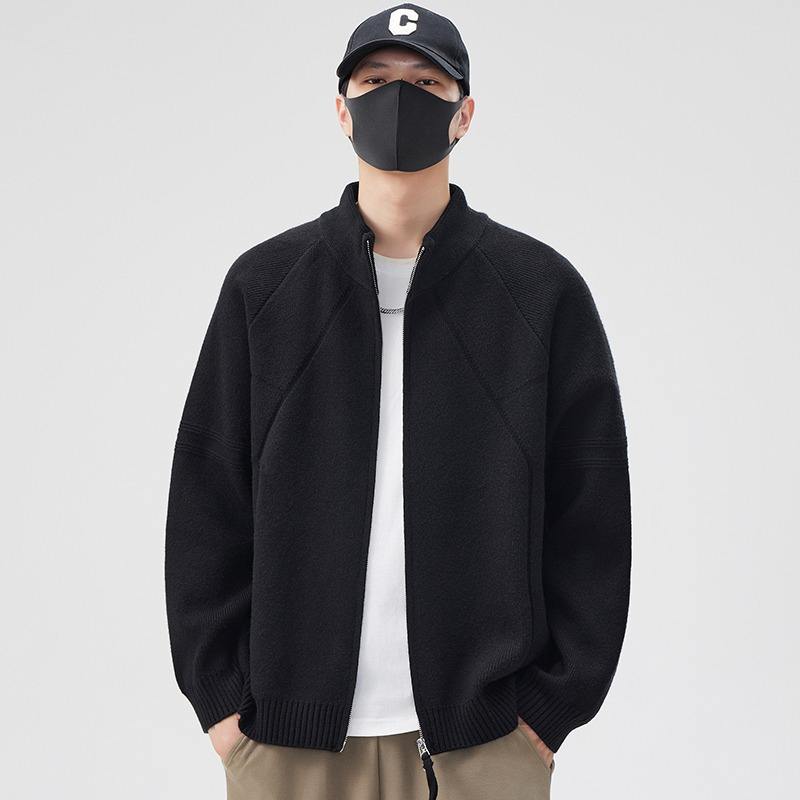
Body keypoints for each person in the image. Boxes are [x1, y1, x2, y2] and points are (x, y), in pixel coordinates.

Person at [164, 4, 632, 799]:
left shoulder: (537, 292)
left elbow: (592, 512)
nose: (399, 99)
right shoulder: (266, 288)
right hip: (284, 740)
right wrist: (221, 704)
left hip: (484, 739)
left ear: (465, 114)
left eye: (426, 84)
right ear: (342, 109)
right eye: (376, 81)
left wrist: (548, 711)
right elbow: (208, 499)